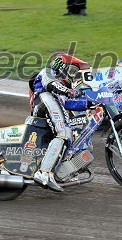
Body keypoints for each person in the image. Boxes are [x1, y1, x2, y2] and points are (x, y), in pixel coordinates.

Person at [30, 54, 82, 192]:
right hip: (44, 100)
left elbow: (72, 105)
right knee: (64, 132)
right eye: (71, 71)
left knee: (72, 134)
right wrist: (69, 91)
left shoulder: (62, 93)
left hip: (48, 104)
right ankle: (44, 173)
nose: (71, 76)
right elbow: (51, 85)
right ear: (61, 65)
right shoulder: (48, 72)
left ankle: (59, 170)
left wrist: (93, 102)